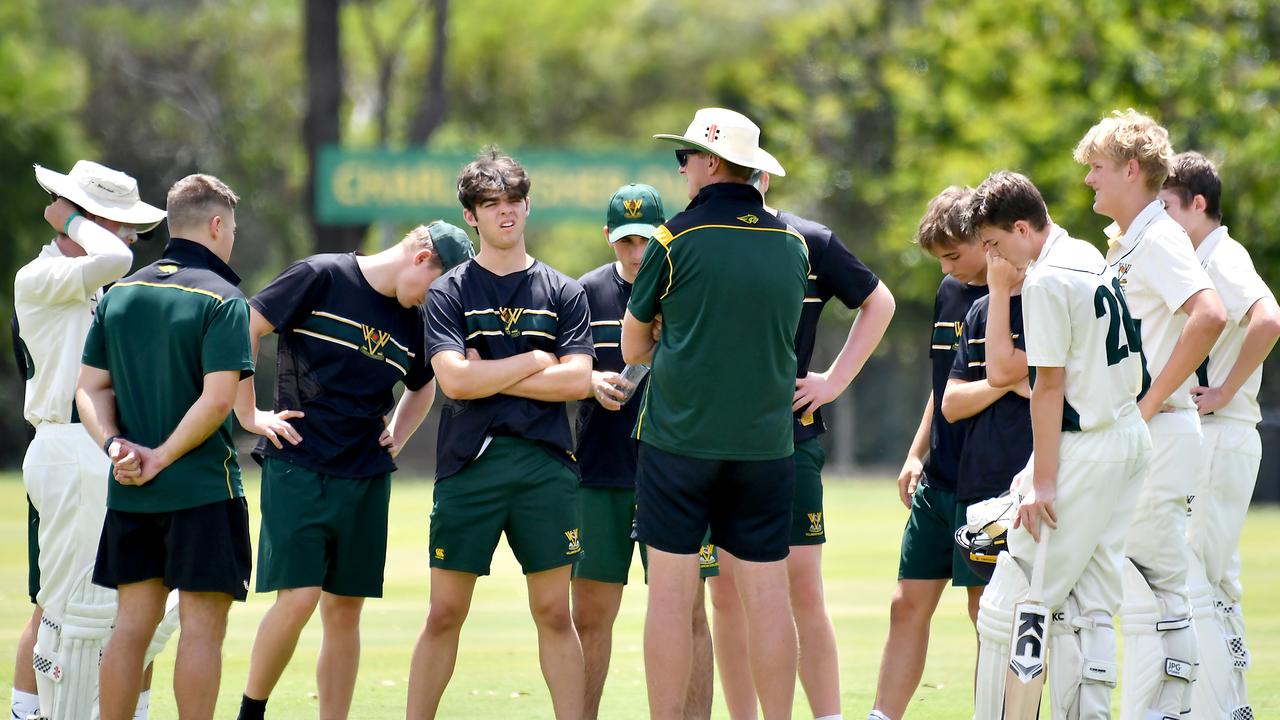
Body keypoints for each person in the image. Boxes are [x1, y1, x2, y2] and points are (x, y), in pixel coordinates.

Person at [234, 221, 473, 720]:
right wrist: (249, 414)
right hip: (298, 463)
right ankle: (249, 712)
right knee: (298, 599)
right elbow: (247, 324)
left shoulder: (417, 321)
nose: (436, 301)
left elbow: (422, 384)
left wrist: (398, 436)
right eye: (439, 286)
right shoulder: (321, 275)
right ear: (422, 257)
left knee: (345, 610)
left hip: (365, 475)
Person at [623, 107, 808, 720]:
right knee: (768, 598)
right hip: (765, 445)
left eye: (685, 158)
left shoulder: (673, 239)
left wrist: (670, 336)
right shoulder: (792, 243)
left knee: (672, 600)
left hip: (678, 441)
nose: (682, 170)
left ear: (708, 161)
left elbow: (631, 349)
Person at [406, 149, 593, 720]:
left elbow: (580, 378)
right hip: (469, 468)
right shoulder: (449, 291)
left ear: (527, 206)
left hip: (546, 469)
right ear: (471, 216)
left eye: (514, 202)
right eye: (492, 205)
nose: (505, 213)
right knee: (444, 613)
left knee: (554, 613)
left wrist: (492, 372)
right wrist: (538, 359)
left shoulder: (563, 290)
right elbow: (455, 382)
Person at [966, 169, 1154, 720]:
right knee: (1092, 607)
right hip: (1127, 440)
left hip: (1085, 446)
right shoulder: (1089, 254)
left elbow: (1048, 386)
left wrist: (1041, 479)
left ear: (1023, 227)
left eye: (997, 245)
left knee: (1014, 601)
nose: (996, 260)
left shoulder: (1047, 280)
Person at [707, 170, 893, 720]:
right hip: (712, 442)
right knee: (724, 592)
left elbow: (877, 302)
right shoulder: (699, 238)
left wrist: (832, 381)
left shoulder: (808, 239)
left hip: (791, 436)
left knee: (799, 586)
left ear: (762, 177)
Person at [76, 173, 253, 720]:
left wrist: (115, 448)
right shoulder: (224, 299)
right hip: (202, 490)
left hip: (130, 494)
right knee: (202, 630)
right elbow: (220, 399)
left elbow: (88, 388)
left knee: (131, 627)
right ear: (217, 225)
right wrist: (162, 457)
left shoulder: (121, 293)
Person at [1074, 109, 1227, 719]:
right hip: (1141, 433)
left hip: (1158, 432)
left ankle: (1167, 712)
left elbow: (1210, 314)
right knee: (1140, 589)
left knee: (1156, 590)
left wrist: (1148, 401)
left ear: (1131, 169)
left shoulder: (1160, 235)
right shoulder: (1136, 237)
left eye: (1098, 168)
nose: (1089, 180)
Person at [15, 161, 166, 720]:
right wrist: (73, 219)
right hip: (68, 446)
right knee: (63, 609)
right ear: (85, 217)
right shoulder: (42, 274)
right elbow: (117, 254)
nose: (131, 235)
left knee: (144, 603)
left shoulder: (107, 283)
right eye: (120, 222)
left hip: (107, 448)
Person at [571, 184, 718, 720]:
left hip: (677, 472)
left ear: (664, 235)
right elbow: (559, 370)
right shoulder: (581, 294)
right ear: (608, 236)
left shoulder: (690, 289)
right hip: (600, 472)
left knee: (691, 614)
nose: (635, 253)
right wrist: (589, 380)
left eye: (644, 240)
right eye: (625, 240)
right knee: (590, 616)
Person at [1159, 151, 1280, 719]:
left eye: (1167, 206)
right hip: (1223, 436)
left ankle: (1212, 711)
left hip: (1220, 430)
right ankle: (1232, 708)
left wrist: (1226, 389)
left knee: (1196, 578)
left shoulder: (1220, 255)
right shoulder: (1203, 255)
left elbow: (1269, 317)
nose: (1161, 218)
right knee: (1216, 580)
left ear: (1198, 204)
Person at [868, 186, 987, 720]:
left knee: (988, 612)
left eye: (954, 254)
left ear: (985, 238)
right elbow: (944, 382)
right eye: (941, 259)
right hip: (937, 479)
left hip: (991, 483)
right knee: (905, 605)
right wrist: (917, 451)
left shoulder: (1023, 295)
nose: (948, 267)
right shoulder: (949, 291)